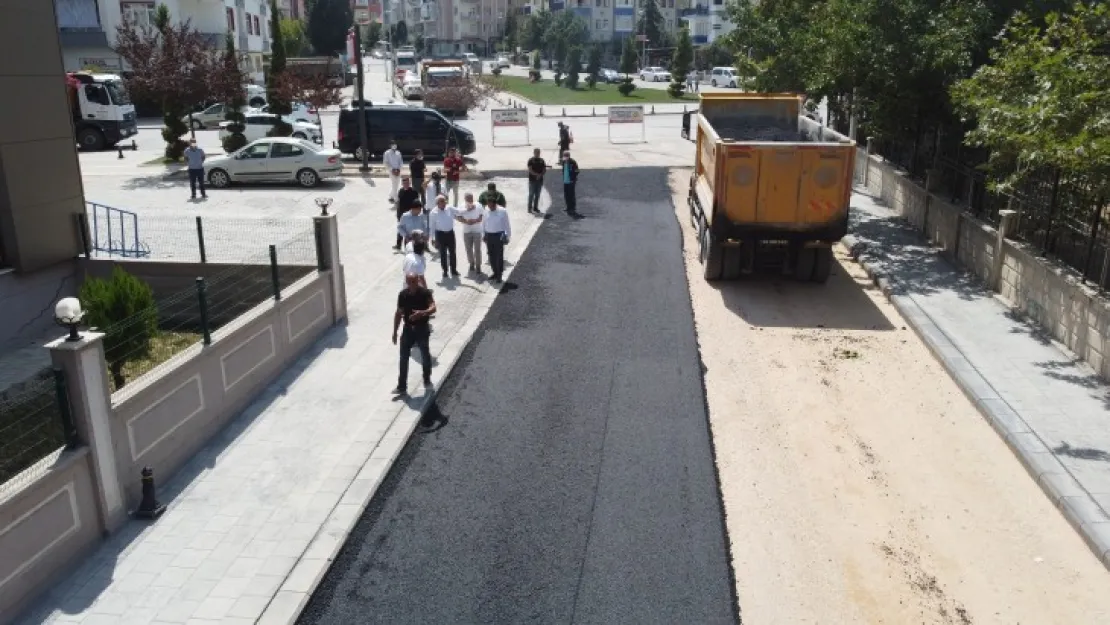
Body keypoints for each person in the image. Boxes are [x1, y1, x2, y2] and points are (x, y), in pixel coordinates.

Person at [392, 272, 436, 395]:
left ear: (418, 281)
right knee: (403, 358)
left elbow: (433, 307)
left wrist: (422, 313)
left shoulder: (425, 293)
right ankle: (401, 386)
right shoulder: (403, 295)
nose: (412, 285)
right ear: (406, 282)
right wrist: (395, 331)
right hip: (408, 330)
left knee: (425, 355)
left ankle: (427, 378)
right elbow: (398, 313)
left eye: (414, 282)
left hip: (422, 329)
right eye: (409, 282)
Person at [428, 195, 460, 279]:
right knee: (443, 253)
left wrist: (468, 209)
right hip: (440, 234)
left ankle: (454, 270)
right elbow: (432, 226)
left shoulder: (449, 208)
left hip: (450, 233)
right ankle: (445, 271)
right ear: (437, 203)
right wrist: (432, 238)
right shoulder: (433, 212)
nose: (444, 203)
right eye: (441, 202)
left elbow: (459, 211)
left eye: (444, 201)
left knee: (452, 252)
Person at [482, 196, 511, 284]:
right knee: (491, 256)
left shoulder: (502, 211)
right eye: (489, 205)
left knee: (499, 256)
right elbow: (483, 223)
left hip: (499, 235)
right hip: (489, 235)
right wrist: (483, 235)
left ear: (495, 204)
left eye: (492, 206)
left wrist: (508, 236)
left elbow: (507, 225)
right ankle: (495, 272)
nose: (490, 207)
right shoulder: (486, 210)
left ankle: (499, 275)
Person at [456, 192, 484, 275]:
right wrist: (466, 221)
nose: (470, 201)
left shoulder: (478, 205)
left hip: (477, 230)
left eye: (471, 199)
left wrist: (474, 221)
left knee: (477, 249)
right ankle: (471, 263)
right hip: (466, 231)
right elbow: (458, 217)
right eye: (468, 199)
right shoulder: (461, 206)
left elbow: (481, 216)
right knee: (468, 249)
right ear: (465, 199)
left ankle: (478, 266)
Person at [393, 176, 421, 250]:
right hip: (401, 214)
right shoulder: (400, 191)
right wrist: (398, 214)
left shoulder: (414, 192)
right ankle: (398, 245)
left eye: (407, 183)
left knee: (411, 231)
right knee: (400, 229)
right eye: (404, 183)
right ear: (402, 183)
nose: (406, 184)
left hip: (410, 215)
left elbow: (416, 203)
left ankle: (413, 245)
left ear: (410, 183)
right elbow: (399, 203)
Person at [526, 148, 547, 214]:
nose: (538, 154)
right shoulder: (531, 160)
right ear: (534, 153)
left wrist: (540, 175)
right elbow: (530, 170)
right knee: (531, 194)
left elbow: (544, 169)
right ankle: (529, 208)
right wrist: (536, 175)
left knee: (537, 195)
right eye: (536, 152)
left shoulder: (542, 160)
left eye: (539, 152)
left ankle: (535, 207)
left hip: (540, 180)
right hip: (532, 180)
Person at [561, 150, 580, 216]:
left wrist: (573, 178)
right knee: (566, 195)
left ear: (569, 156)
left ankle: (573, 208)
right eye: (564, 155)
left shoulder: (573, 162)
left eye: (566, 156)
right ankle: (568, 207)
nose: (565, 157)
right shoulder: (563, 162)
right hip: (565, 181)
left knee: (571, 195)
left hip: (571, 181)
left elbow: (577, 171)